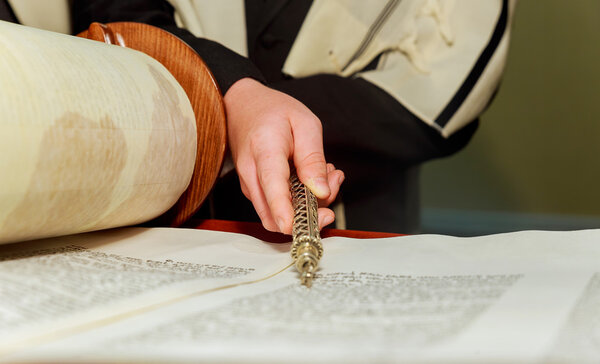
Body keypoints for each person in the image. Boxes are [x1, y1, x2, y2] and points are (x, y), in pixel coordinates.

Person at [4, 0, 515, 234]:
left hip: (351, 225)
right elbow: (124, 12)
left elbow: (422, 111)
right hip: (150, 222)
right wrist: (235, 93)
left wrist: (231, 104)